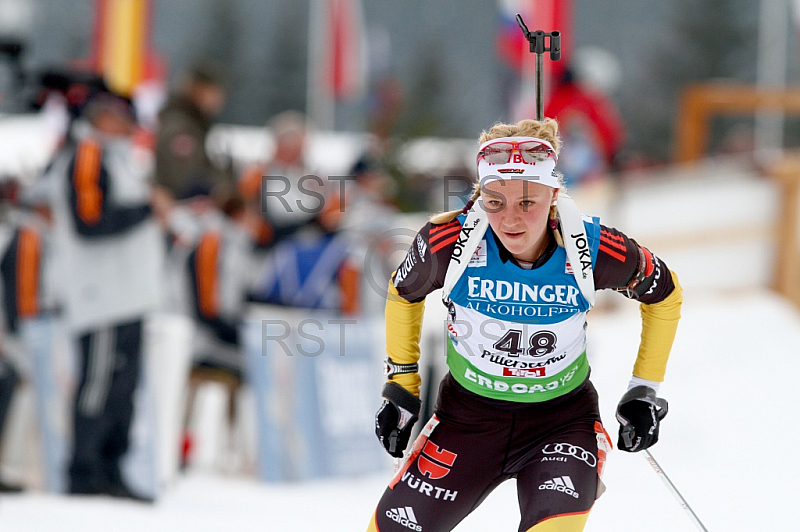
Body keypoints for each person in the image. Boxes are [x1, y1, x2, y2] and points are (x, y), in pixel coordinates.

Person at [368, 118, 682, 532]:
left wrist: (644, 390)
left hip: (561, 423)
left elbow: (665, 294)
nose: (510, 220)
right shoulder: (448, 243)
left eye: (527, 203)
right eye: (495, 202)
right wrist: (402, 384)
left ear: (553, 195)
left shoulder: (591, 247)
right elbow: (402, 292)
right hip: (467, 421)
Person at [42, 86, 167, 502]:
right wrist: (147, 209)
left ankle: (112, 467)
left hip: (128, 293)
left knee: (123, 386)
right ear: (100, 119)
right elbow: (89, 222)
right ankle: (84, 471)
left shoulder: (117, 157)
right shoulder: (87, 154)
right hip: (100, 295)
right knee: (98, 383)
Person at [154, 61, 230, 200]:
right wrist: (220, 190)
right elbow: (184, 181)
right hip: (183, 210)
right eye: (214, 92)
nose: (219, 100)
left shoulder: (193, 125)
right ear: (197, 90)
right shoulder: (181, 128)